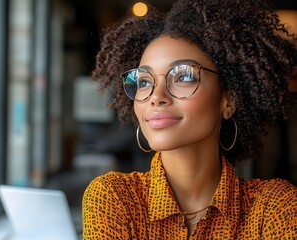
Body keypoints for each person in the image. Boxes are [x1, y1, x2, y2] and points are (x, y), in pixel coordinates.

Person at [82, 0, 297, 239]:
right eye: (143, 81)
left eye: (183, 76)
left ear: (228, 100)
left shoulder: (275, 208)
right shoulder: (114, 198)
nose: (156, 96)